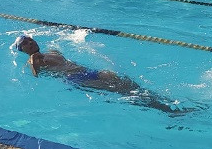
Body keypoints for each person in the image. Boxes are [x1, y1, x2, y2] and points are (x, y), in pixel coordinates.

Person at [13, 35, 195, 114]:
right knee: (126, 93)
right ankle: (167, 110)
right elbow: (35, 74)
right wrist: (33, 62)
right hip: (77, 79)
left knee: (131, 87)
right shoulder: (35, 59)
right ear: (23, 50)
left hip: (88, 72)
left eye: (29, 39)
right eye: (25, 44)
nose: (30, 42)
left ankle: (166, 102)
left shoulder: (52, 50)